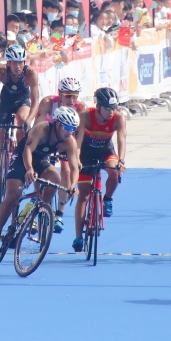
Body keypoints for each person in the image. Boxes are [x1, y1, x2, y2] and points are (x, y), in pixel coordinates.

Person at [0, 107, 80, 257]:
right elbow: (27, 151)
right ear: (57, 124)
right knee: (13, 195)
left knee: (55, 178)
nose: (70, 132)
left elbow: (74, 167)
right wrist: (29, 169)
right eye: (67, 128)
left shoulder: (70, 142)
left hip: (41, 161)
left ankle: (35, 209)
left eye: (73, 129)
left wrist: (73, 185)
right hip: (22, 158)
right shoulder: (42, 129)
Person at [0, 44, 39, 204]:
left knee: (22, 121)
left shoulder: (31, 73)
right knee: (1, 143)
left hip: (23, 101)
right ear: (8, 63)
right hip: (6, 101)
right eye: (14, 62)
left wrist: (29, 121)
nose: (17, 66)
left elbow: (35, 102)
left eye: (20, 62)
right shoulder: (0, 72)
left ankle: (21, 160)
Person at [73, 87, 127, 252]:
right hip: (86, 153)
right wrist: (77, 160)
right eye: (108, 108)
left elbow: (121, 140)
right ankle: (78, 237)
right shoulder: (85, 116)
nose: (111, 111)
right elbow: (78, 142)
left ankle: (108, 199)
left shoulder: (119, 118)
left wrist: (121, 160)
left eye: (114, 107)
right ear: (98, 107)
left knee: (114, 170)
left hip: (106, 151)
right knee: (83, 194)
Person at [35, 77, 88, 233]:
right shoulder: (48, 102)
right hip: (47, 139)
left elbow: (78, 136)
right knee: (40, 167)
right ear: (60, 94)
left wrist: (77, 156)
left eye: (75, 96)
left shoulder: (81, 108)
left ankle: (59, 213)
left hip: (65, 142)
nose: (72, 100)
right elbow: (37, 126)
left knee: (66, 170)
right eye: (68, 95)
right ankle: (37, 199)